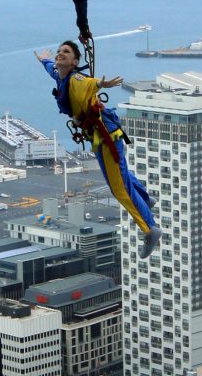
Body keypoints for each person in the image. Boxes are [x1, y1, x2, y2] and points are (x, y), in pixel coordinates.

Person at [36, 41, 161, 259]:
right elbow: (51, 70)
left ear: (75, 62)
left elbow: (90, 83)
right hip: (99, 137)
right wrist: (44, 61)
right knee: (120, 177)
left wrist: (103, 83)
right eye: (59, 52)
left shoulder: (76, 79)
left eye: (65, 52)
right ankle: (145, 198)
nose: (60, 55)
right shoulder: (60, 76)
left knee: (119, 188)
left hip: (106, 138)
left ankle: (150, 229)